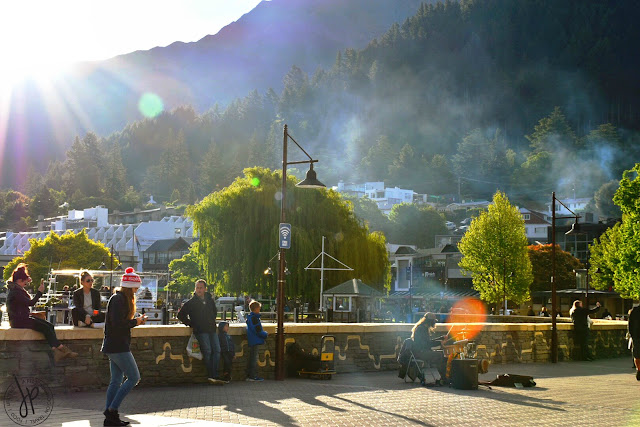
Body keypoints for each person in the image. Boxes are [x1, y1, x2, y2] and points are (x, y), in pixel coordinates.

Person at [102, 267, 147, 426]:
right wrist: (136, 322)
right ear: (129, 286)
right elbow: (119, 324)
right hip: (118, 346)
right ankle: (112, 410)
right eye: (135, 288)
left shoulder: (117, 299)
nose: (136, 291)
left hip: (113, 345)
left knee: (116, 380)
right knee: (134, 377)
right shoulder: (119, 300)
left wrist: (136, 321)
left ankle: (110, 419)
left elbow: (117, 323)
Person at [6, 264, 78, 363]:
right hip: (19, 321)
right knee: (45, 327)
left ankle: (57, 351)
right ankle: (62, 349)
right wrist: (39, 292)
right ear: (19, 281)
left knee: (49, 325)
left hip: (21, 318)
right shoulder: (16, 292)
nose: (26, 284)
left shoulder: (16, 290)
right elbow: (30, 303)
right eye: (24, 282)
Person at [178, 279, 224, 385]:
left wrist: (212, 320)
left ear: (205, 289)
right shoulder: (191, 302)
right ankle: (211, 375)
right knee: (207, 351)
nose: (199, 290)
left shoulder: (210, 300)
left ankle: (215, 374)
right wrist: (191, 324)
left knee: (217, 350)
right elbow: (180, 315)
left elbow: (214, 312)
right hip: (201, 331)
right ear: (195, 289)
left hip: (212, 329)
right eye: (197, 288)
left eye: (201, 288)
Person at [411, 312, 448, 382]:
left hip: (422, 351)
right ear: (430, 321)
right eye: (433, 321)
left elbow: (428, 341)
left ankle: (444, 376)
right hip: (420, 353)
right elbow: (427, 344)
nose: (434, 323)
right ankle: (444, 377)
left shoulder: (423, 328)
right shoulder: (421, 329)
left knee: (442, 354)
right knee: (440, 355)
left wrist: (441, 338)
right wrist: (439, 342)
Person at [246, 300, 267, 381]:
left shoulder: (250, 318)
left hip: (252, 339)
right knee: (254, 358)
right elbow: (257, 330)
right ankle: (253, 376)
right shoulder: (254, 318)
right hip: (255, 340)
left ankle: (250, 375)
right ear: (256, 309)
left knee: (252, 357)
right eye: (259, 308)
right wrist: (265, 334)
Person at [628, 305, 640, 380]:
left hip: (636, 335)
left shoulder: (634, 311)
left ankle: (639, 370)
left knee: (637, 355)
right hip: (637, 336)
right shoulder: (635, 311)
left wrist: (632, 334)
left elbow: (630, 325)